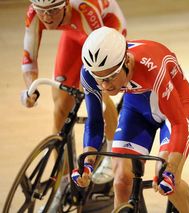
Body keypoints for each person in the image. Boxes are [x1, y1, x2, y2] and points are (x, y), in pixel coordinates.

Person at [71, 26, 189, 212]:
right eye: (100, 79)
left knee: (165, 178)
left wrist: (171, 169)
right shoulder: (89, 74)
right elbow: (95, 122)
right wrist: (87, 164)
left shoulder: (152, 67)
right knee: (122, 180)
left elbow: (178, 123)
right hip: (137, 108)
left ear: (127, 62)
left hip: (176, 107)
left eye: (111, 77)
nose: (105, 85)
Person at [20, 0, 126, 211]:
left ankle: (113, 153)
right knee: (60, 106)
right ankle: (64, 184)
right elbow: (29, 57)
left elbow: (100, 56)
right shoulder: (34, 14)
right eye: (42, 12)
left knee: (101, 96)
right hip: (74, 34)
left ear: (66, 5)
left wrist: (92, 86)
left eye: (53, 11)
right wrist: (30, 89)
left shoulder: (84, 9)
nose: (47, 17)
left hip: (105, 30)